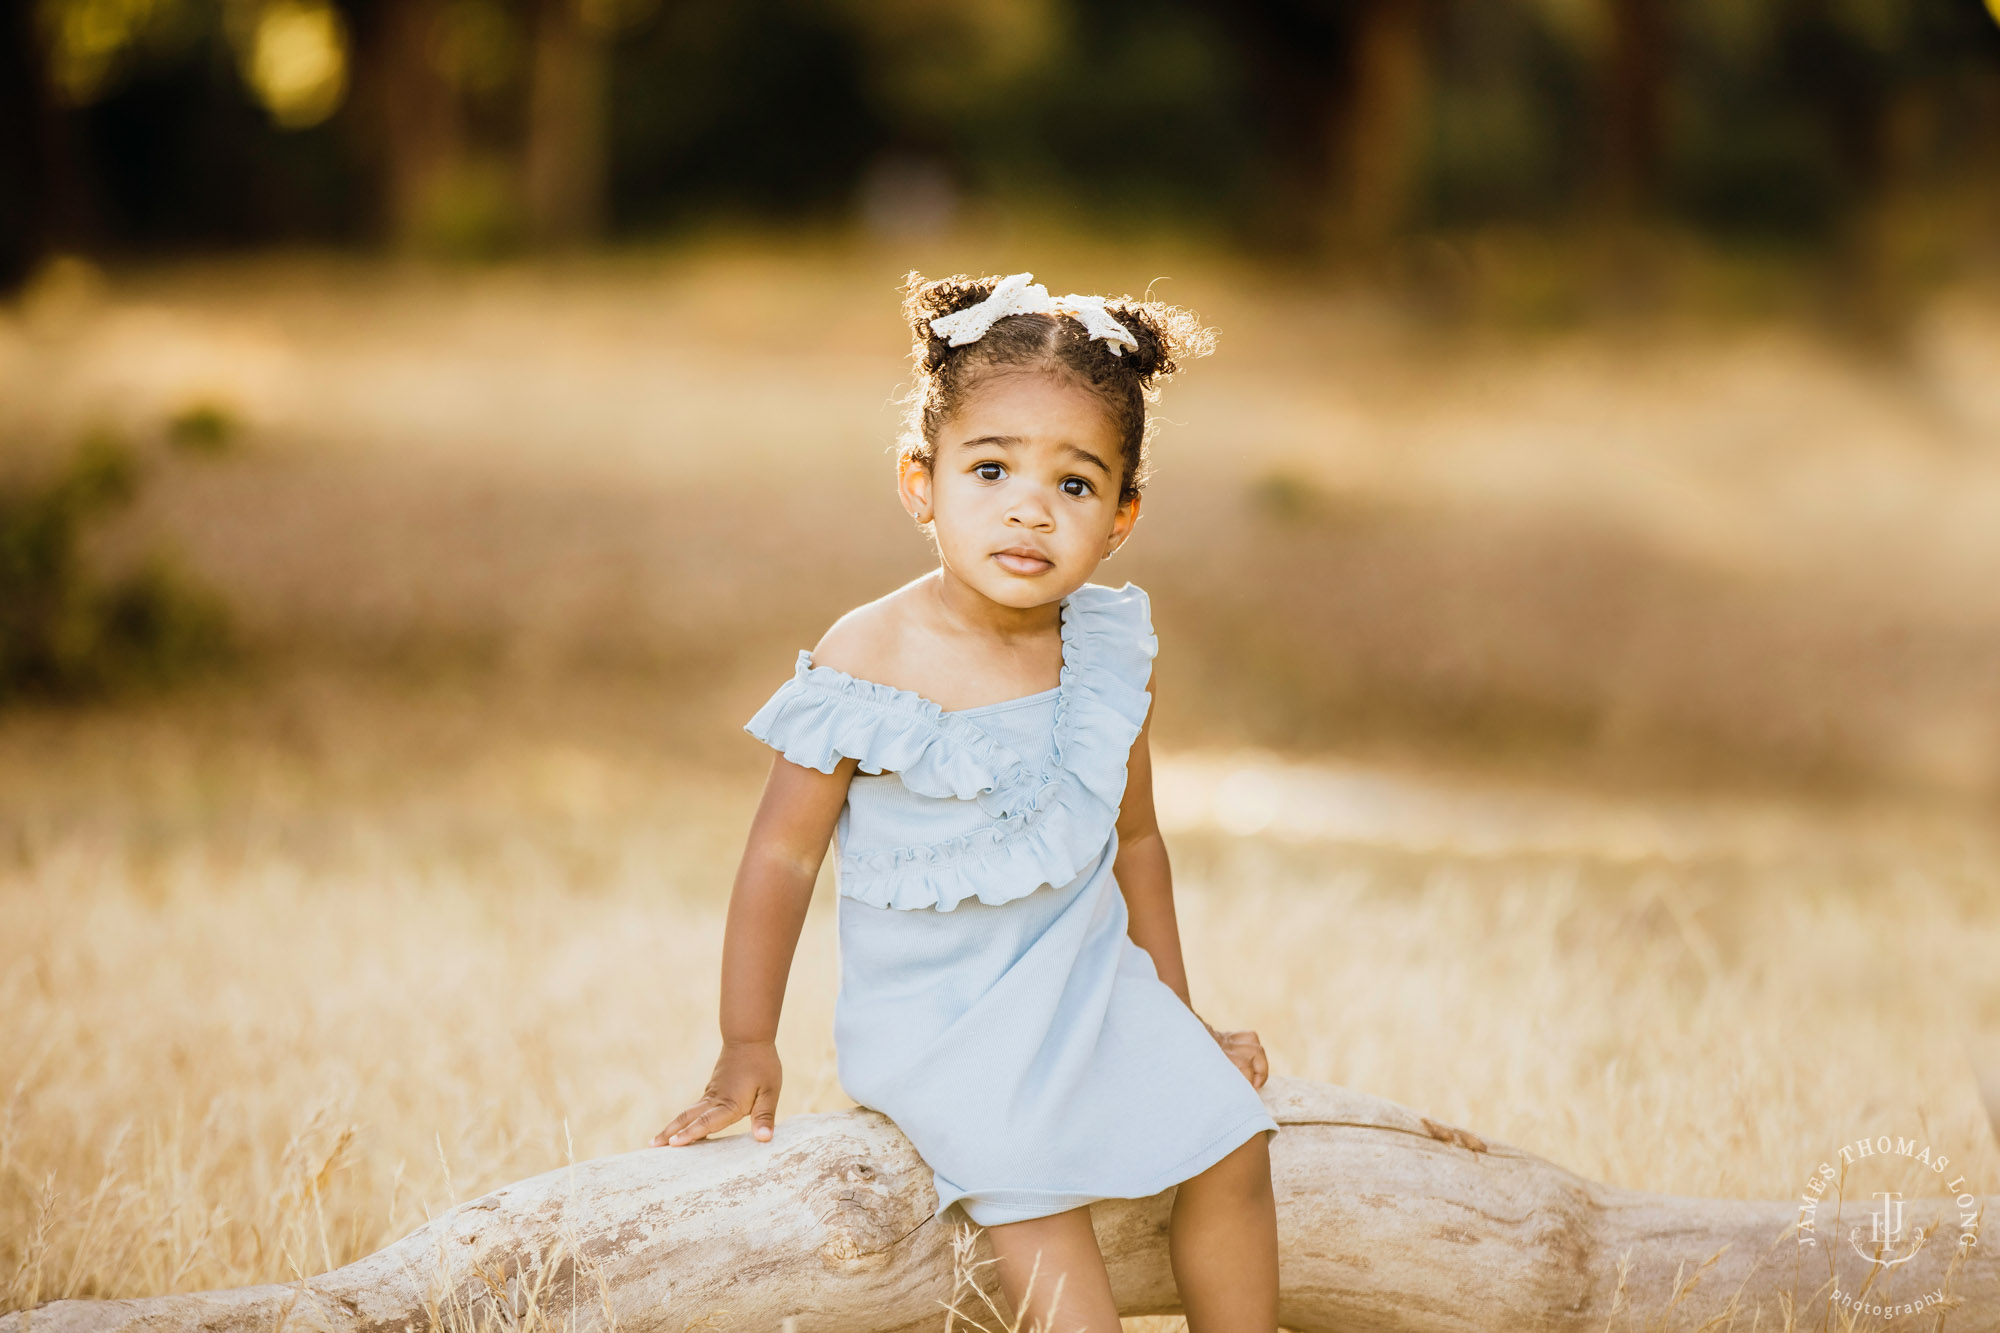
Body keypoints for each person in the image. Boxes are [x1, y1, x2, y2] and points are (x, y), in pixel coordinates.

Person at [651, 270, 1280, 1331]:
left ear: (1121, 516)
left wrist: (1178, 1014)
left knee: (1233, 1144)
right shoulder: (869, 656)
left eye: (1075, 485)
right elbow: (779, 859)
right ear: (920, 481)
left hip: (1081, 982)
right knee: (1049, 1233)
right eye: (989, 469)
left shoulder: (1107, 654)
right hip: (942, 1020)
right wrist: (746, 1040)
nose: (1029, 507)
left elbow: (1135, 843)